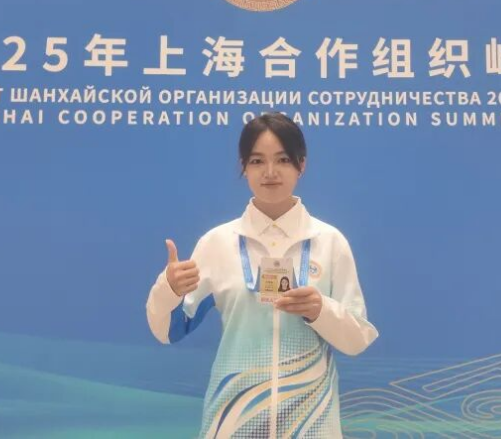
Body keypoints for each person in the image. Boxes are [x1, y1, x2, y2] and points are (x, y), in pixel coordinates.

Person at [146, 113, 379, 438]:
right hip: (234, 423)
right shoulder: (217, 243)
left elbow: (357, 340)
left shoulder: (329, 242)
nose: (270, 172)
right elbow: (167, 332)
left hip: (311, 425)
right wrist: (168, 290)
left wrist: (320, 310)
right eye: (257, 161)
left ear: (301, 164)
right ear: (244, 167)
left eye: (282, 160)